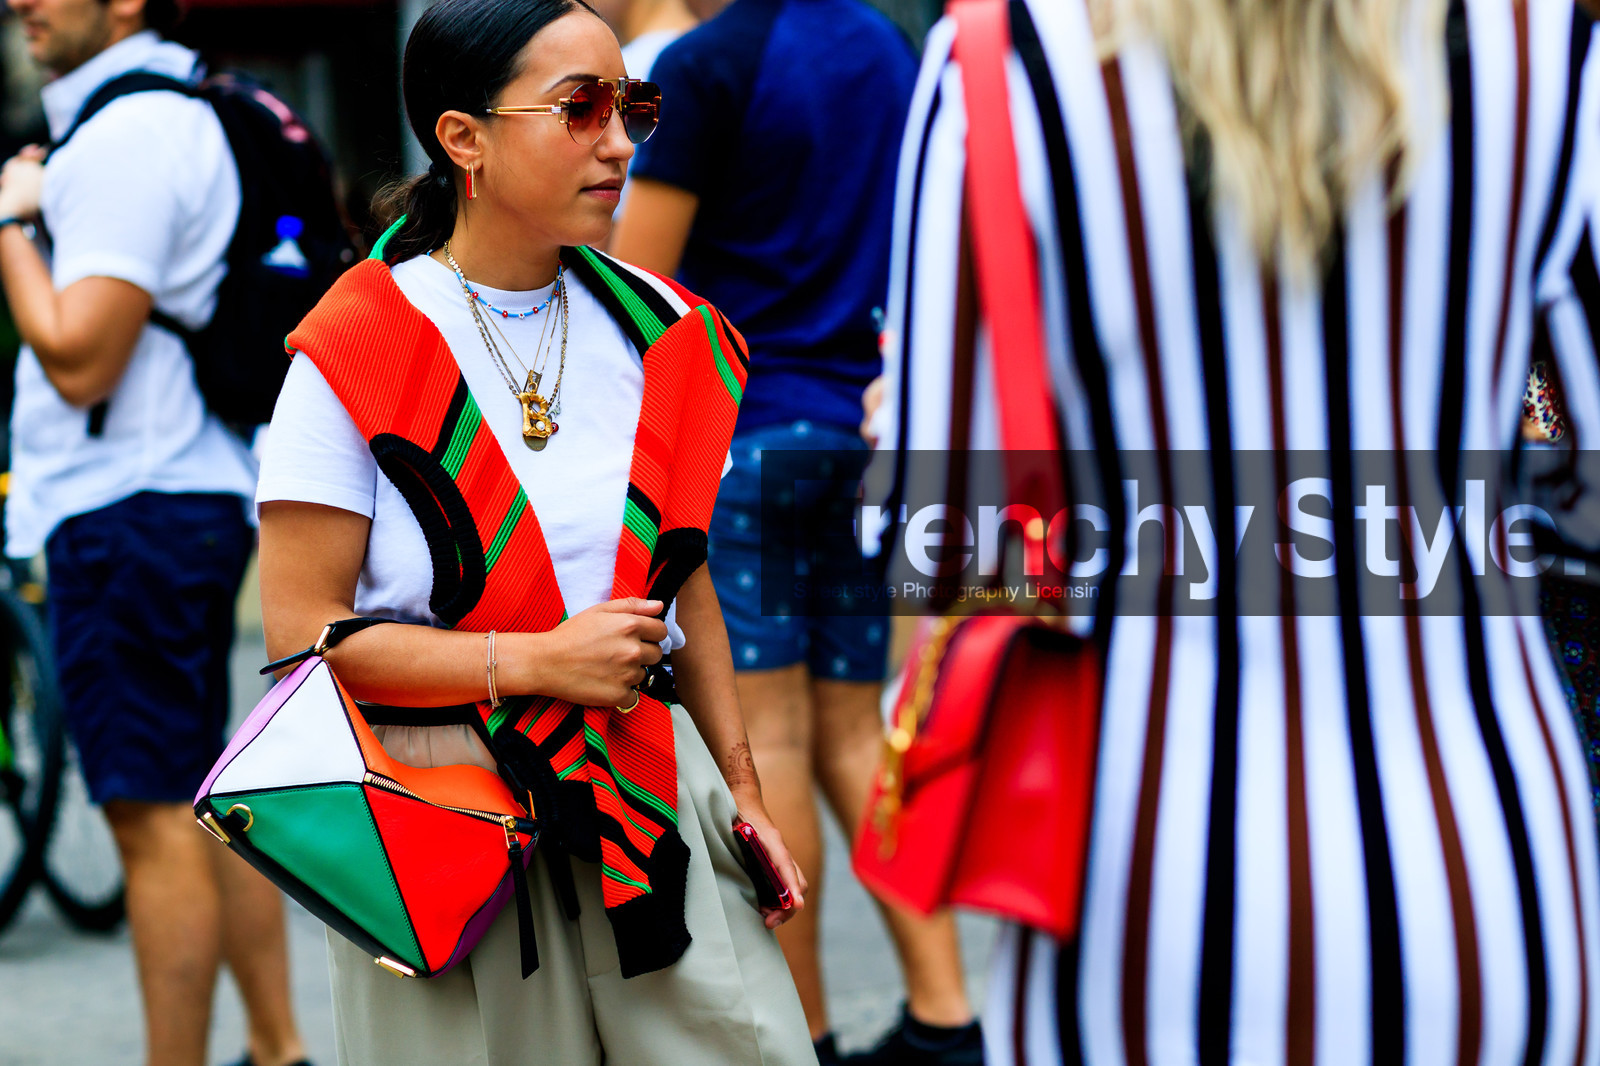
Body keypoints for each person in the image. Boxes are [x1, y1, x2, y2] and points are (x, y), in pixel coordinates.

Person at [868, 0, 1600, 1059]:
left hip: (1139, 872)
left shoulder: (1000, 60)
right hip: (1483, 853)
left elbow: (943, 537)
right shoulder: (1547, 46)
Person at [253, 0, 815, 1062]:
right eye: (580, 108)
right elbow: (303, 646)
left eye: (630, 107)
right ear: (462, 137)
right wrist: (539, 660)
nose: (617, 141)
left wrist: (741, 796)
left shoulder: (666, 331)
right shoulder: (354, 349)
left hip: (649, 783)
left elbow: (685, 583)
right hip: (442, 817)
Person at [612, 2, 982, 1063]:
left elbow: (646, 291)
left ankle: (803, 1033)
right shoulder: (883, 43)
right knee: (858, 733)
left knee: (763, 752)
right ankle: (947, 1012)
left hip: (748, 441)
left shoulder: (705, 62)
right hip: (863, 437)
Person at [0, 0, 312, 1064]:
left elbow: (79, 353)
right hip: (177, 495)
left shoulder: (127, 134)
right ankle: (277, 1047)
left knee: (148, 819)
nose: (19, 3)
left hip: (127, 504)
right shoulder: (176, 109)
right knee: (202, 798)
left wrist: (6, 222)